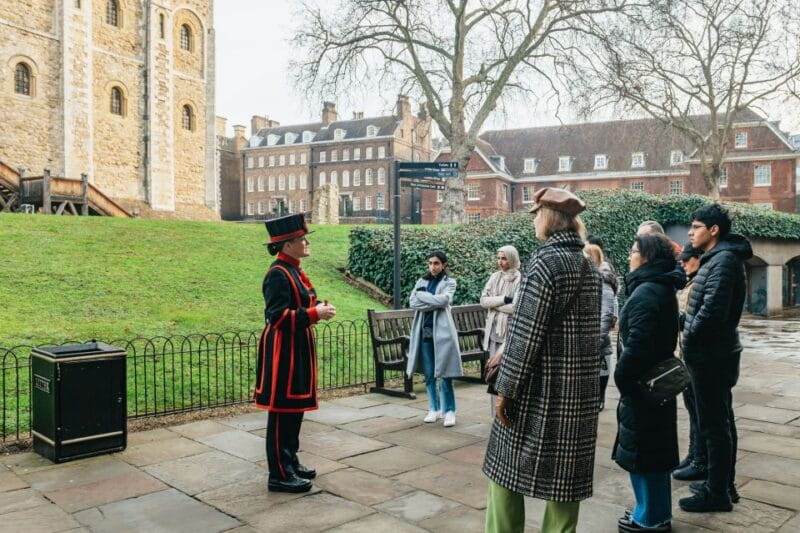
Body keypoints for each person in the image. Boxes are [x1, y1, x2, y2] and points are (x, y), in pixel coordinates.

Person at [483, 187, 602, 533]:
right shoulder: (587, 265)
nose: (533, 220)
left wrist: (505, 390)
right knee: (566, 482)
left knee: (502, 471)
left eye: (536, 213)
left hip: (538, 391)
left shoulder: (544, 262)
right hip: (577, 394)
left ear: (549, 218)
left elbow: (525, 335)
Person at [254, 213, 337, 493]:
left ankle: (290, 460)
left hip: (297, 347)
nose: (306, 242)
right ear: (287, 244)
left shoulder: (294, 269)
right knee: (282, 411)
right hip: (282, 352)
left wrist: (315, 312)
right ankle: (278, 473)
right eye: (302, 239)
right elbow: (276, 317)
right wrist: (314, 313)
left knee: (296, 409)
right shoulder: (278, 274)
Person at [679, 204, 752, 513]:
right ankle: (721, 484)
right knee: (719, 422)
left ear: (713, 230)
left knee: (715, 426)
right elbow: (704, 308)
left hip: (711, 355)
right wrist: (685, 320)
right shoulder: (717, 258)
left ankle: (718, 493)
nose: (690, 233)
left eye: (695, 227)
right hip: (710, 353)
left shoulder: (722, 261)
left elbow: (713, 312)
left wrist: (690, 332)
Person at [613, 233, 686, 532]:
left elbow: (639, 345)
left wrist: (623, 377)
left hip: (644, 386)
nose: (629, 256)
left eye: (633, 251)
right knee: (652, 453)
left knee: (645, 456)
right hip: (654, 385)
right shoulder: (659, 287)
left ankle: (651, 519)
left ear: (647, 257)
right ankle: (653, 512)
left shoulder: (647, 292)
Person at [407, 250, 463, 427]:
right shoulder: (421, 281)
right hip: (424, 332)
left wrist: (422, 296)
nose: (433, 266)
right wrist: (431, 300)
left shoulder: (450, 282)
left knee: (445, 373)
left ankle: (450, 411)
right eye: (430, 263)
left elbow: (444, 301)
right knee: (429, 374)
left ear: (444, 265)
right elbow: (412, 302)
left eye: (436, 263)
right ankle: (434, 408)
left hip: (443, 333)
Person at [672, 243, 707, 482]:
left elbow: (695, 319)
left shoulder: (698, 283)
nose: (682, 262)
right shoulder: (689, 281)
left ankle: (700, 461)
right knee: (692, 410)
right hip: (684, 355)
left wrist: (677, 318)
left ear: (698, 259)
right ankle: (694, 455)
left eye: (687, 259)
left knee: (699, 413)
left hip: (695, 357)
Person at [480, 245, 522, 412]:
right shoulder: (494, 277)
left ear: (512, 259)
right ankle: (494, 415)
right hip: (493, 333)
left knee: (507, 375)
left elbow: (516, 307)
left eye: (504, 258)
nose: (500, 262)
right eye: (499, 258)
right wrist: (504, 299)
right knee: (493, 373)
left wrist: (494, 305)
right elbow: (483, 301)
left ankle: (507, 412)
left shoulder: (520, 279)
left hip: (509, 333)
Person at [584, 243, 617, 411]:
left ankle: (600, 398)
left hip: (597, 338)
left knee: (601, 368)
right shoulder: (590, 277)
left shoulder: (603, 280)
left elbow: (606, 313)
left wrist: (596, 339)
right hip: (591, 336)